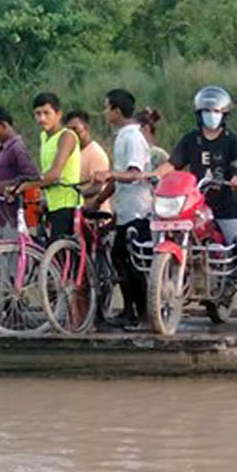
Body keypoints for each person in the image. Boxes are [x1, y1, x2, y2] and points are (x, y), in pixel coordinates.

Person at [168, 86, 237, 331]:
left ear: (224, 114)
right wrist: (154, 175)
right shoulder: (191, 139)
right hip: (194, 207)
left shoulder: (233, 140)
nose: (210, 115)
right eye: (206, 110)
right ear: (198, 113)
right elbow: (172, 165)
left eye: (215, 111)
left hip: (225, 208)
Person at [89, 88, 153, 329]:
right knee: (120, 259)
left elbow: (134, 174)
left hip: (139, 210)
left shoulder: (133, 138)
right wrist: (97, 199)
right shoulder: (122, 136)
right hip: (126, 210)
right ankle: (130, 310)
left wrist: (109, 174)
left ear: (116, 111)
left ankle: (143, 313)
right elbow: (117, 179)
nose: (105, 112)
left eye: (106, 108)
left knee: (132, 262)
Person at [0, 104, 41, 242]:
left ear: (3, 125)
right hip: (0, 213)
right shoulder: (4, 148)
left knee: (12, 255)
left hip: (11, 216)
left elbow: (32, 177)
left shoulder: (17, 148)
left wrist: (7, 186)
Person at [30, 92, 81, 241]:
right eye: (38, 114)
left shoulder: (67, 136)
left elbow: (53, 174)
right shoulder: (44, 136)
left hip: (67, 204)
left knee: (62, 258)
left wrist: (25, 185)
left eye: (47, 113)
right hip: (52, 203)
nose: (42, 118)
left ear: (58, 114)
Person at [64, 108, 110, 186]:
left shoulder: (95, 154)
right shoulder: (72, 152)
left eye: (75, 129)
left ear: (86, 128)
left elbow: (98, 188)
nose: (72, 134)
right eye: (69, 131)